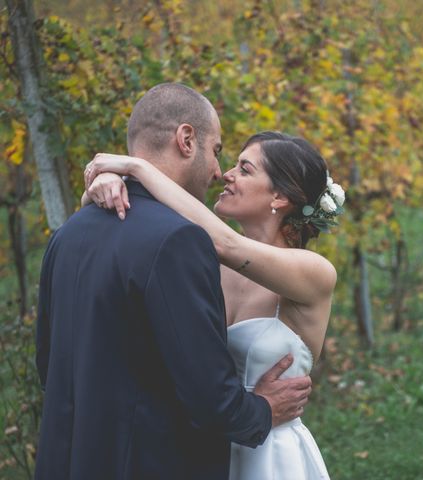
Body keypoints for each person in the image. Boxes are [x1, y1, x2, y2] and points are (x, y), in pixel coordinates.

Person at [35, 83, 312, 480]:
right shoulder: (179, 240)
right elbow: (209, 395)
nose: (219, 172)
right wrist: (263, 409)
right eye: (216, 151)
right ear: (186, 140)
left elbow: (49, 366)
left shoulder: (67, 234)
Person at [83, 129, 345, 479]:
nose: (226, 174)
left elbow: (227, 244)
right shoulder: (209, 262)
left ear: (280, 196)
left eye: (245, 169)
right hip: (203, 449)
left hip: (271, 457)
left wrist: (137, 167)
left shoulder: (314, 273)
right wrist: (104, 187)